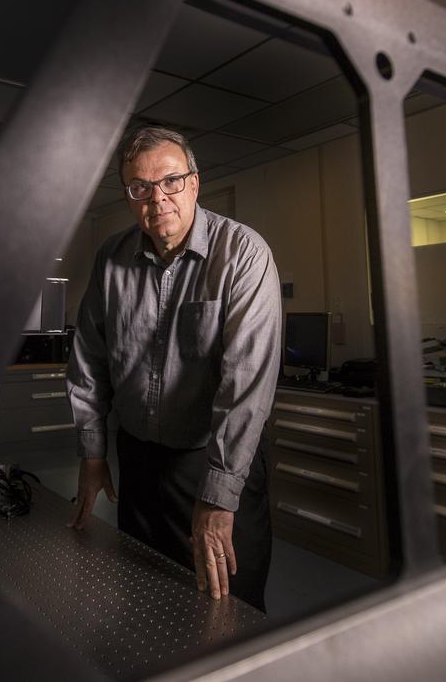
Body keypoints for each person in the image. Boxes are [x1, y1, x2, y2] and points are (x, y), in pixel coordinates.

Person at [66, 125, 282, 611]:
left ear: (195, 182)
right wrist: (93, 454)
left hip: (213, 457)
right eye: (139, 188)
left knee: (227, 606)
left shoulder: (243, 255)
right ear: (128, 195)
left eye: (170, 181)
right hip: (139, 460)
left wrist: (220, 496)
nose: (157, 198)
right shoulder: (111, 258)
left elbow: (246, 385)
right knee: (144, 596)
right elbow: (89, 359)